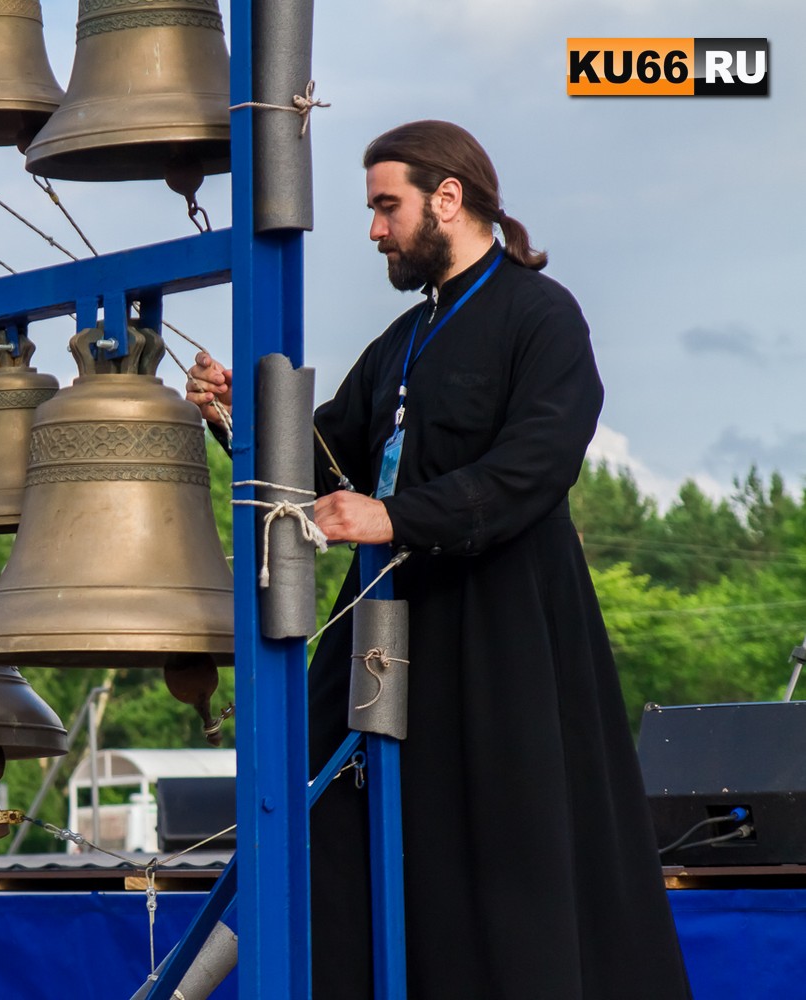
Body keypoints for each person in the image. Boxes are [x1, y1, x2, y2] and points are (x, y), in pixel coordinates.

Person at [187, 121, 692, 998]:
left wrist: (393, 515)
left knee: (501, 861)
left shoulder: (542, 316)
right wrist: (236, 415)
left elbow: (533, 466)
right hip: (382, 629)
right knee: (335, 832)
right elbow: (319, 458)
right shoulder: (403, 340)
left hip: (500, 638)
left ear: (447, 199)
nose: (375, 229)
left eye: (387, 206)